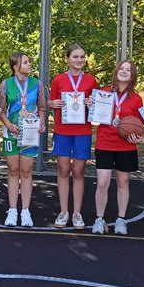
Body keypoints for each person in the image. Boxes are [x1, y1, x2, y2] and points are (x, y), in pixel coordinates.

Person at [48, 44, 99, 229]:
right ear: (67, 59)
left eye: (82, 57)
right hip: (62, 131)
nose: (80, 60)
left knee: (78, 172)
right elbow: (50, 101)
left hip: (82, 131)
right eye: (76, 57)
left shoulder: (91, 80)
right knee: (63, 170)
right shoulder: (58, 79)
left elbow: (97, 107)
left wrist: (91, 103)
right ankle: (64, 211)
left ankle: (77, 213)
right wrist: (53, 103)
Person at [93, 59, 144, 235]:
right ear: (116, 71)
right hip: (105, 143)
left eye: (128, 70)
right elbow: (94, 115)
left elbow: (139, 126)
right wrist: (90, 105)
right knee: (102, 183)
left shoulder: (136, 99)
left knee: (123, 182)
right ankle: (99, 219)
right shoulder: (104, 93)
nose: (124, 71)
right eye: (121, 68)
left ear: (132, 75)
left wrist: (138, 137)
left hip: (126, 146)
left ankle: (121, 219)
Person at [0, 52, 47, 227]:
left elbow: (41, 107)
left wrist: (42, 123)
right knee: (12, 170)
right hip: (12, 132)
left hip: (30, 133)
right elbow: (1, 110)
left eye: (29, 61)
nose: (30, 64)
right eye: (26, 62)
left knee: (26, 172)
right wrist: (9, 124)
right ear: (16, 66)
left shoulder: (37, 84)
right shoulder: (6, 84)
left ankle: (25, 211)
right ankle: (12, 210)